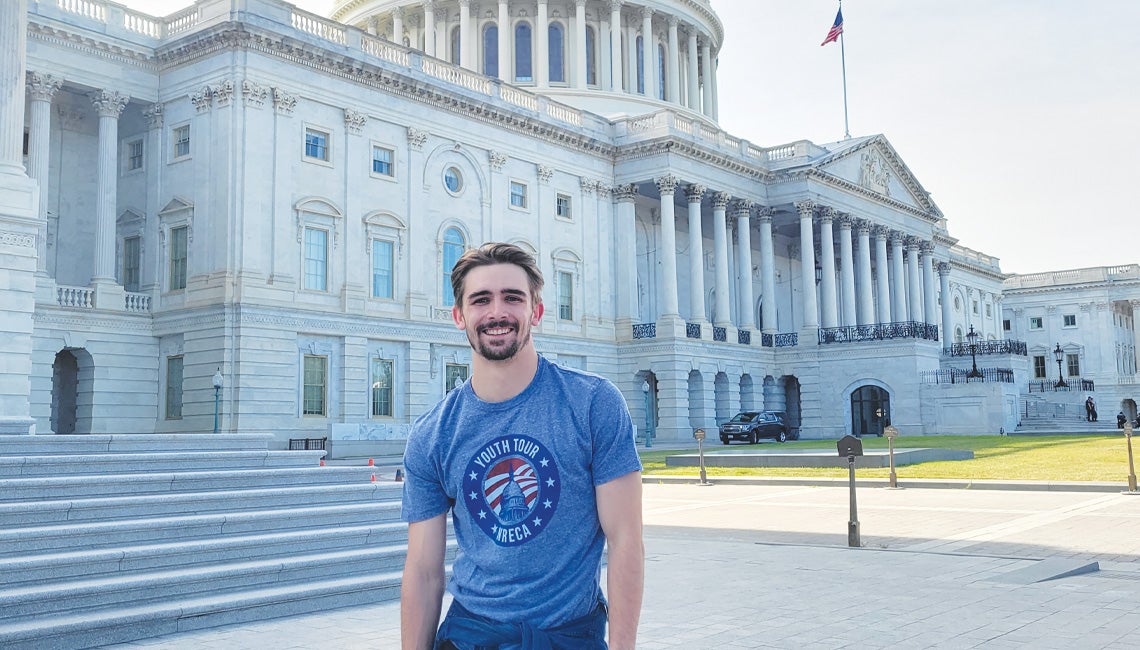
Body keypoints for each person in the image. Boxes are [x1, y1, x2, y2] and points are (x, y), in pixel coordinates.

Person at [400, 242, 644, 650]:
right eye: (481, 300)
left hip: (568, 637)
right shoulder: (432, 434)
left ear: (537, 311)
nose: (497, 312)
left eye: (512, 298)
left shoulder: (594, 404)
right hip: (471, 636)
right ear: (459, 316)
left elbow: (626, 541)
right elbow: (424, 570)